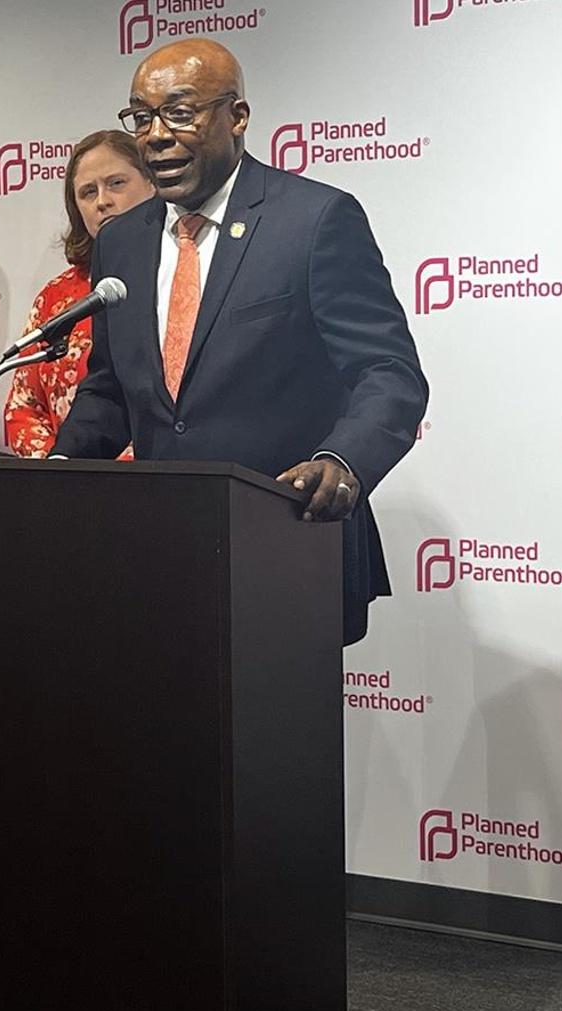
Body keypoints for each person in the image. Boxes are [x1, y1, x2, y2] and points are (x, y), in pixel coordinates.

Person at [51, 39, 428, 645]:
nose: (156, 135)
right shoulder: (121, 242)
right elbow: (112, 389)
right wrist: (59, 472)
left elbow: (388, 373)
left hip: (288, 541)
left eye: (180, 112)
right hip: (162, 557)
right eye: (141, 117)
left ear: (238, 117)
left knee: (280, 738)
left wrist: (342, 462)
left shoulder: (314, 221)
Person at [3, 130, 154, 456]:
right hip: (63, 489)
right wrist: (60, 470)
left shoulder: (178, 281)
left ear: (152, 184)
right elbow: (22, 407)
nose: (102, 201)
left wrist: (110, 479)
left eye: (116, 183)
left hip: (149, 484)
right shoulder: (55, 297)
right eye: (88, 192)